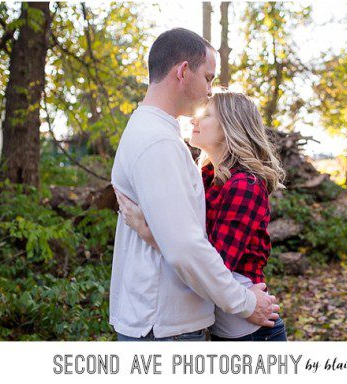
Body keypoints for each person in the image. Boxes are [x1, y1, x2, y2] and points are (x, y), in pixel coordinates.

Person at [108, 28, 279, 341]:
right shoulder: (159, 142)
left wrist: (150, 230)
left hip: (172, 321)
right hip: (164, 325)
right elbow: (186, 249)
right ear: (183, 72)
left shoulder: (156, 135)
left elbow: (188, 242)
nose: (209, 90)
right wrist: (245, 303)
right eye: (208, 78)